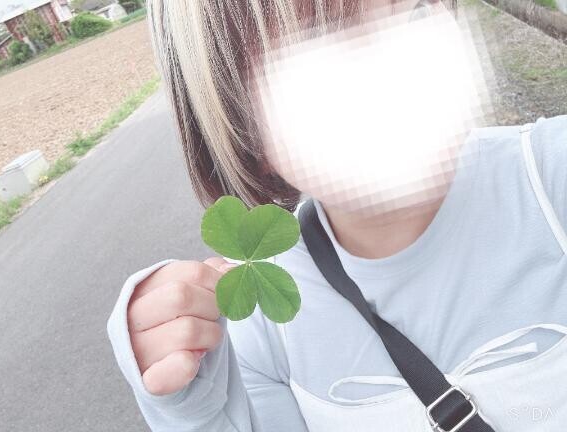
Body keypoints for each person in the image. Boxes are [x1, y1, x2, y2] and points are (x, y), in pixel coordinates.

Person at [106, 0, 567, 431]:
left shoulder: (552, 173)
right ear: (244, 126)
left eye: (417, 13)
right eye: (320, 52)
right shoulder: (258, 326)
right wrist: (196, 410)